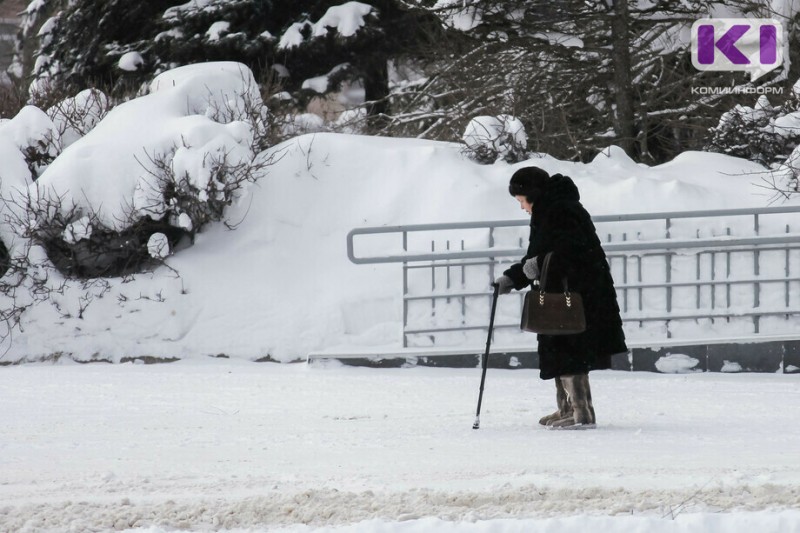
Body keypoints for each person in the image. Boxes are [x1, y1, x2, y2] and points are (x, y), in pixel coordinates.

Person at [495, 166, 627, 429]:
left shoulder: (561, 210)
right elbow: (540, 255)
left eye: (521, 201)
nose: (522, 207)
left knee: (570, 349)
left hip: (577, 294)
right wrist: (513, 278)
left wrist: (533, 267)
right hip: (565, 292)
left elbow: (569, 253)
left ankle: (581, 413)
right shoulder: (550, 209)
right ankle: (566, 408)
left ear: (532, 194)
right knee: (560, 348)